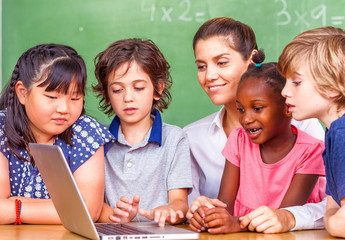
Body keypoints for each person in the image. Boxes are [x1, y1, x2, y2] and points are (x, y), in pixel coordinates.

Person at [184, 17, 327, 232]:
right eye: (201, 66)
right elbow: (205, 207)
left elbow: (295, 214)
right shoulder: (193, 137)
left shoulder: (307, 128)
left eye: (221, 62)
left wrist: (237, 222)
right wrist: (200, 213)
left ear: (251, 60)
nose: (210, 75)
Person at [0, 44, 114, 224]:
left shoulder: (86, 132)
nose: (64, 109)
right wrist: (65, 208)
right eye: (52, 97)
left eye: (75, 98)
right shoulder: (2, 127)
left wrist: (16, 206)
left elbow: (87, 212)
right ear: (22, 93)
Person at [93, 38, 192, 227]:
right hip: (112, 232)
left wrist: (169, 211)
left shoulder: (175, 138)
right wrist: (116, 216)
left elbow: (180, 203)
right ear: (106, 95)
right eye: (117, 89)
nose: (128, 98)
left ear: (158, 89)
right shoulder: (97, 139)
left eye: (138, 88)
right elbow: (91, 204)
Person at [279, 26, 345, 238]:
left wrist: (332, 223)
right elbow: (334, 210)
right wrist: (332, 221)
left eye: (296, 82)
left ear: (333, 86)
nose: (284, 91)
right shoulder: (334, 132)